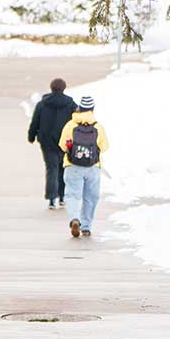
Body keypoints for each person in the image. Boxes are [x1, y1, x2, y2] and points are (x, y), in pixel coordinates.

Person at [59, 95, 108, 238]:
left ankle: (75, 219)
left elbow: (62, 145)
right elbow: (104, 147)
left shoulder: (70, 125)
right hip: (92, 167)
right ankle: (86, 226)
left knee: (73, 195)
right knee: (90, 197)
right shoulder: (98, 127)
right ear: (92, 109)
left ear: (79, 108)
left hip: (72, 165)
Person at [27, 78, 77, 209]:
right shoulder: (71, 104)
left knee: (51, 169)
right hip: (65, 143)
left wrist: (31, 136)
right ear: (64, 88)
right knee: (63, 169)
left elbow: (35, 122)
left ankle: (51, 200)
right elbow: (76, 123)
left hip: (47, 142)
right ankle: (62, 197)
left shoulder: (42, 104)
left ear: (51, 88)